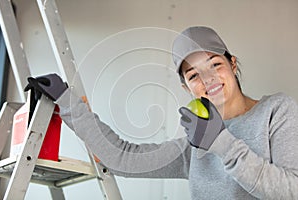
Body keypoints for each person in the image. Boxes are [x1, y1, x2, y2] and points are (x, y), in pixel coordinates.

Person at [25, 26, 298, 199]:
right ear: (186, 87)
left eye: (215, 64)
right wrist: (68, 102)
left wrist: (221, 143)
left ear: (233, 63)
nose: (209, 79)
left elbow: (292, 191)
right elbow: (123, 159)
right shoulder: (196, 144)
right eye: (194, 75)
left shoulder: (276, 111)